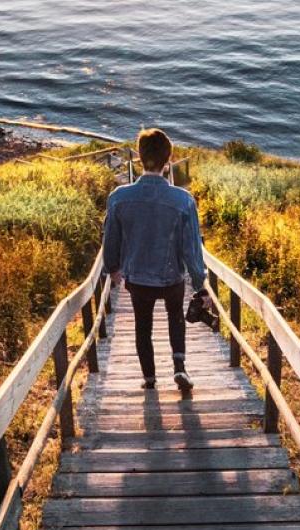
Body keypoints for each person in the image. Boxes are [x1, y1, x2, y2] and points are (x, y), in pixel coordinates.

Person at [102, 128, 206, 391]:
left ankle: (149, 378)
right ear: (168, 160)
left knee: (142, 325)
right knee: (175, 318)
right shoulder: (183, 200)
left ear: (139, 157)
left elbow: (110, 238)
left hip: (137, 277)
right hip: (172, 277)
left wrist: (112, 268)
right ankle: (179, 367)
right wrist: (200, 282)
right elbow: (191, 247)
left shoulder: (119, 197)